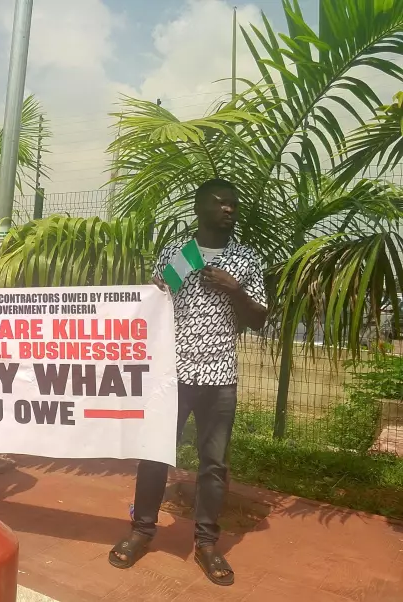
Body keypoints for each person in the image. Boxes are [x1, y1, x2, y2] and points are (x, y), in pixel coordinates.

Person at [109, 179, 267, 587]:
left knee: (213, 464)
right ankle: (141, 532)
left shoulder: (246, 258)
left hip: (220, 377)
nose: (229, 210)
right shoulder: (179, 254)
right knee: (156, 454)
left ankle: (207, 544)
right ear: (200, 208)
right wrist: (173, 277)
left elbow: (259, 319)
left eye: (234, 204)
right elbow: (156, 302)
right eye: (221, 203)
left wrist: (236, 290)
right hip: (172, 374)